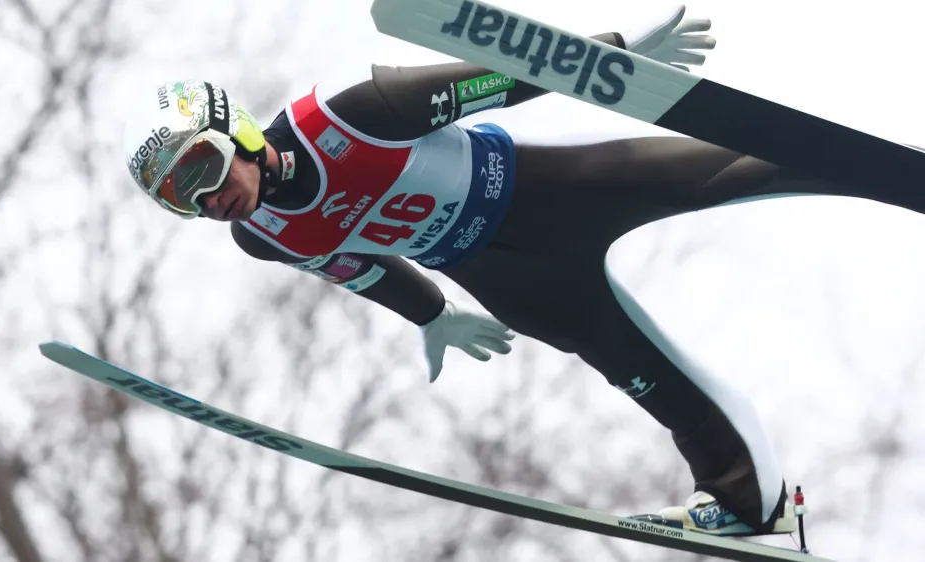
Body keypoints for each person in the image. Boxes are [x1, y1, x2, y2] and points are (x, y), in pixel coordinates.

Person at [120, 5, 910, 537]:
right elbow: (358, 268)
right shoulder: (263, 234)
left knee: (743, 166)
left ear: (234, 130)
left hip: (544, 195)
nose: (206, 199)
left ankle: (902, 178)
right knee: (642, 374)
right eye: (179, 199)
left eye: (200, 169)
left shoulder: (349, 115)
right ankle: (749, 503)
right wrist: (433, 315)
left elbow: (491, 79)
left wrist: (623, 60)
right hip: (505, 279)